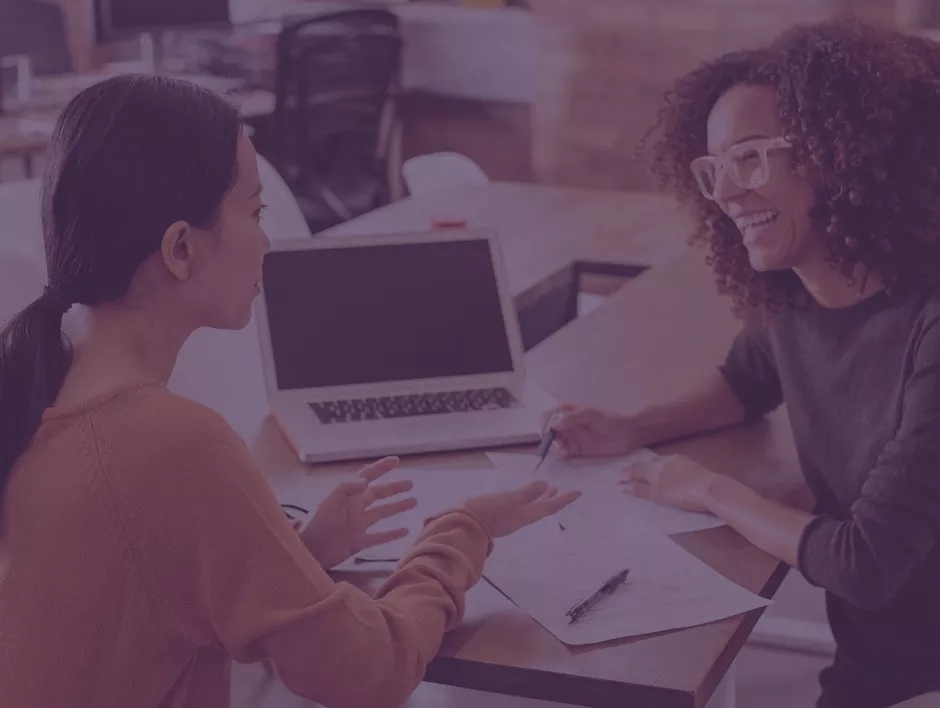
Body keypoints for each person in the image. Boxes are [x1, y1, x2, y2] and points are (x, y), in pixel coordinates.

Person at [0, 74, 579, 708]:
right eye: (255, 213)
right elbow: (369, 672)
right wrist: (462, 532)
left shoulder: (42, 389)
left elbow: (138, 598)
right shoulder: (169, 444)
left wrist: (297, 555)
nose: (267, 241)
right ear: (180, 248)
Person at [542, 19, 940, 708]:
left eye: (751, 157)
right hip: (874, 666)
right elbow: (747, 379)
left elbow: (865, 564)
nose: (725, 192)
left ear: (840, 156)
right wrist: (633, 426)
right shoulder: (801, 292)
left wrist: (707, 490)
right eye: (713, 168)